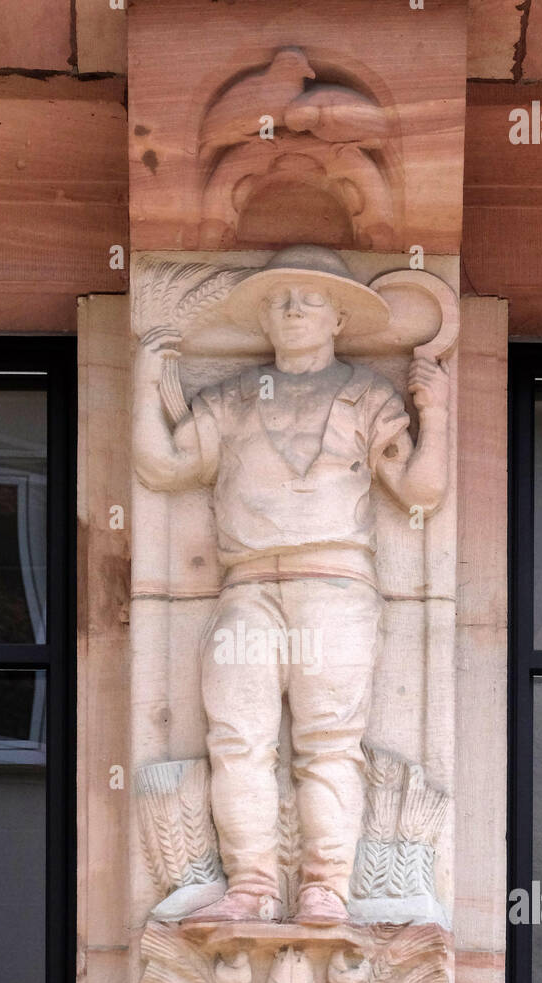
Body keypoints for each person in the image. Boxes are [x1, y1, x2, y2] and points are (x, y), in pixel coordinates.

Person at [133, 245, 449, 925]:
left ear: (338, 316)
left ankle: (325, 890)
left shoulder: (367, 395)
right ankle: (248, 886)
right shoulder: (230, 399)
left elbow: (420, 492)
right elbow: (160, 469)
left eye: (309, 298)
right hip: (246, 586)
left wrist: (438, 411)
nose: (293, 309)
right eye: (280, 300)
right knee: (236, 737)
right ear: (264, 319)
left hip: (334, 586)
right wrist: (142, 378)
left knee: (329, 742)